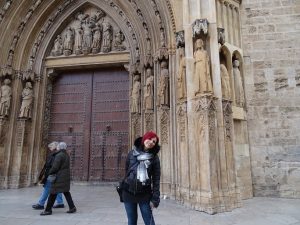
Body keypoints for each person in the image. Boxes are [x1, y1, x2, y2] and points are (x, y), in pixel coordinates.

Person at [122, 131, 161, 225]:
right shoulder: (131, 154)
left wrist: (155, 198)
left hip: (144, 194)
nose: (151, 142)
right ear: (144, 139)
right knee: (131, 221)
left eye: (154, 141)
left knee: (149, 222)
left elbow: (156, 179)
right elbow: (127, 171)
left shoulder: (154, 158)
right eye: (150, 139)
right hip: (128, 192)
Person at [40, 142, 77, 215]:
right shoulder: (66, 155)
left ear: (59, 147)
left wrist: (49, 172)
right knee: (66, 192)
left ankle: (48, 210)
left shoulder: (59, 155)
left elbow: (55, 167)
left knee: (53, 192)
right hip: (64, 177)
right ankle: (72, 207)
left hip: (59, 177)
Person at [32, 142, 64, 210]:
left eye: (50, 147)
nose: (49, 148)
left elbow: (53, 166)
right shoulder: (57, 154)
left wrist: (48, 173)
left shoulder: (55, 155)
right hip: (55, 174)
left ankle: (41, 204)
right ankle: (60, 202)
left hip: (52, 175)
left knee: (46, 188)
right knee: (56, 188)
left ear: (54, 147)